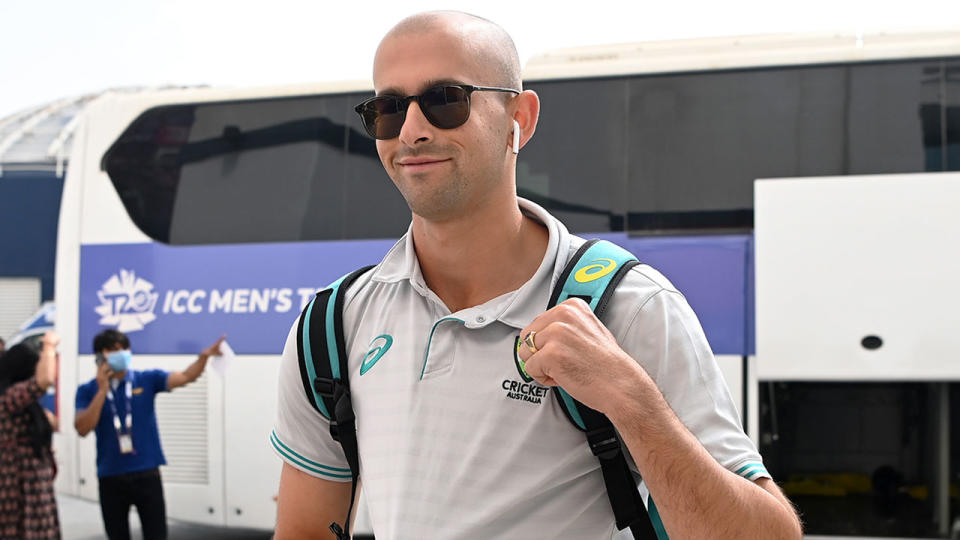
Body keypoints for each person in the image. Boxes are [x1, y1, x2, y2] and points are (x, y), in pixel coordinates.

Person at [272, 11, 802, 539]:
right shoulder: (333, 325)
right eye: (386, 109)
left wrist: (630, 399)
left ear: (518, 118)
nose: (411, 131)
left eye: (445, 100)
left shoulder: (631, 309)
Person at [75, 329, 225, 540]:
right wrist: (102, 391)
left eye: (124, 348)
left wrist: (203, 357)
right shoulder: (87, 390)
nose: (122, 353)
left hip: (146, 473)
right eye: (114, 350)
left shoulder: (145, 379)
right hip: (110, 476)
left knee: (156, 534)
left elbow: (186, 376)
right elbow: (82, 428)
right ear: (100, 356)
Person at [0, 332, 60, 540]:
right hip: (19, 492)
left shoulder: (18, 400)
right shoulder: (9, 397)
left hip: (33, 489)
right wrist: (49, 346)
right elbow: (44, 380)